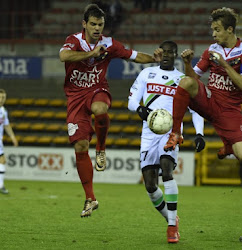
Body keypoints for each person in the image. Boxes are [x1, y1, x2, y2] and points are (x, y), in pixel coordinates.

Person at [59, 4, 161, 217]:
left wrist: (153, 59)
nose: (97, 28)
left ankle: (101, 149)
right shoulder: (74, 40)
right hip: (75, 97)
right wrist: (91, 53)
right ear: (84, 24)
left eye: (101, 25)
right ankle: (90, 198)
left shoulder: (110, 44)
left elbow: (133, 55)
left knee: (100, 109)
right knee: (80, 145)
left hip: (97, 89)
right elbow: (64, 56)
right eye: (93, 24)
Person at [163, 8, 242, 187]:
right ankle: (175, 133)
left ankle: (229, 147)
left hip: (230, 111)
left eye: (217, 29)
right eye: (212, 29)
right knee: (185, 83)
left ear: (230, 29)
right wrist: (187, 63)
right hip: (210, 100)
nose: (213, 34)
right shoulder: (211, 50)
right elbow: (192, 79)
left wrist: (225, 65)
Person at [128, 40, 205, 243]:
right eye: (164, 52)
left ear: (176, 56)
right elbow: (132, 100)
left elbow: (196, 109)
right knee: (151, 186)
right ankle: (172, 218)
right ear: (159, 53)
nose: (167, 55)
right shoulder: (146, 74)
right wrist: (140, 110)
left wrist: (200, 133)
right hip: (148, 133)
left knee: (166, 169)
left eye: (171, 52)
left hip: (171, 131)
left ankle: (171, 227)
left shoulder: (183, 80)